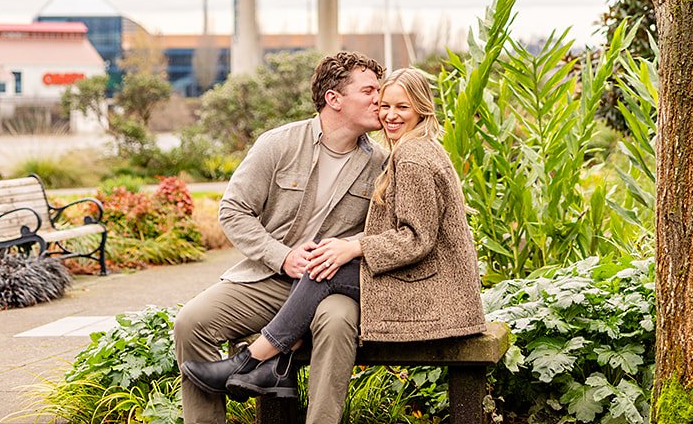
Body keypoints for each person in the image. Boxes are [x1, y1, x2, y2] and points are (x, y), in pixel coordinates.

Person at [167, 50, 385, 424]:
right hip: (267, 277)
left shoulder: (382, 163)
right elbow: (234, 210)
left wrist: (348, 251)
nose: (379, 100)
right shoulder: (278, 144)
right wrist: (281, 255)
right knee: (192, 321)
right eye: (370, 91)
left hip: (332, 287)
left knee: (339, 323)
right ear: (333, 98)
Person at [199, 67, 484, 401]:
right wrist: (346, 246)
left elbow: (415, 238)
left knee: (323, 270)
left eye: (402, 107)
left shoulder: (411, 157)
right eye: (385, 106)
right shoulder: (413, 149)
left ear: (421, 108)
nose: (390, 115)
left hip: (435, 290)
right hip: (433, 284)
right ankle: (269, 364)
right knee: (325, 263)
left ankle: (251, 360)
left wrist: (353, 247)